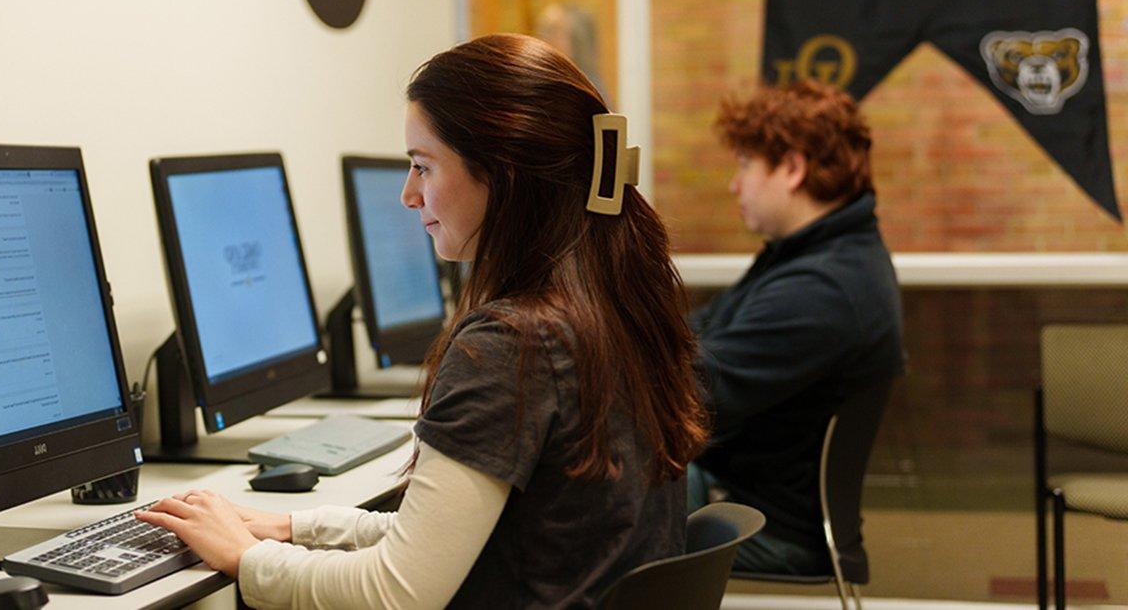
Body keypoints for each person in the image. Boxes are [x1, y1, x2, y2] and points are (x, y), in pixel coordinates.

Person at [133, 33, 709, 609]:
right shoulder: (616, 310)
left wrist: (244, 558)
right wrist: (295, 528)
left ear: (503, 174)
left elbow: (397, 593)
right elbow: (476, 538)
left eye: (422, 167)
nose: (409, 194)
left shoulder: (514, 344)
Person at [688, 80, 904, 575]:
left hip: (763, 525)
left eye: (744, 164)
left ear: (792, 167)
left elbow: (690, 393)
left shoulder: (826, 288)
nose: (734, 184)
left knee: (577, 517)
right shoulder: (807, 258)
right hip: (732, 490)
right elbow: (697, 333)